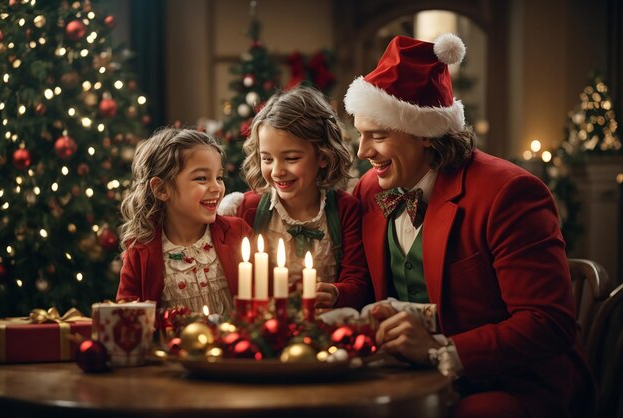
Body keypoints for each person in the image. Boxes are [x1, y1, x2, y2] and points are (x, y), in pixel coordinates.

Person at [345, 33, 595, 418]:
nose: (362, 152)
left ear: (424, 135)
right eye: (360, 135)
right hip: (406, 380)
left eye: (377, 136)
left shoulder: (509, 193)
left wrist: (440, 350)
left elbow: (549, 322)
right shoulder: (367, 191)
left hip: (511, 386)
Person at [219, 86, 369, 309]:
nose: (277, 171)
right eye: (267, 159)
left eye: (290, 158)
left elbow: (359, 282)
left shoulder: (344, 209)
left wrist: (337, 292)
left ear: (323, 156)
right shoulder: (247, 209)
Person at [116, 127, 252, 316]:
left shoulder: (238, 233)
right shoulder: (140, 252)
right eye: (202, 178)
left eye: (219, 177)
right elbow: (127, 321)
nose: (217, 187)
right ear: (162, 189)